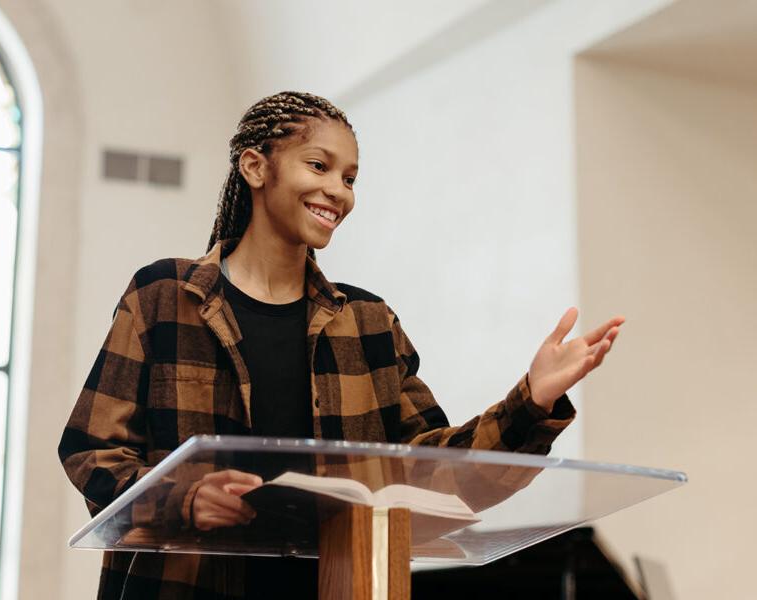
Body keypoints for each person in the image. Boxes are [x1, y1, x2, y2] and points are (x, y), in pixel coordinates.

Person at [58, 91, 623, 600]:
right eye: (318, 166)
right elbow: (90, 450)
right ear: (255, 167)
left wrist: (533, 400)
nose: (338, 191)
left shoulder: (368, 323)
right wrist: (184, 499)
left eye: (349, 178)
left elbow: (435, 474)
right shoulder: (163, 295)